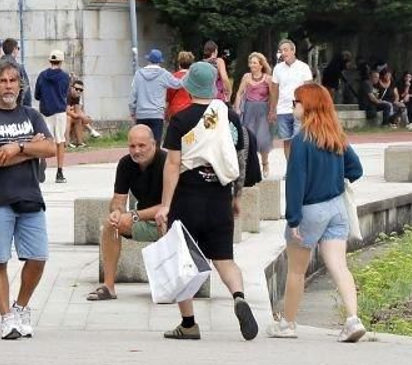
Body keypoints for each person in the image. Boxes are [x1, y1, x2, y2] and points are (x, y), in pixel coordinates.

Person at [157, 61, 263, 341]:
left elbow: (172, 164)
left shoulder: (180, 120)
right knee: (225, 259)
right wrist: (237, 195)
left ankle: (189, 323)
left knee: (183, 263)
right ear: (215, 86)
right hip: (219, 195)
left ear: (189, 86)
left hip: (188, 196)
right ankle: (238, 297)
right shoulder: (229, 116)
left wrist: (165, 205)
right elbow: (238, 157)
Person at [271, 85, 367, 341]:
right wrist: (333, 177)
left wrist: (293, 219)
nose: (293, 107)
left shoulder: (301, 141)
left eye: (296, 102)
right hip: (337, 208)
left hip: (309, 210)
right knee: (339, 266)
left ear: (308, 106)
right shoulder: (335, 135)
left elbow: (296, 182)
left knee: (296, 270)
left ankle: (288, 324)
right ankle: (352, 319)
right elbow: (356, 169)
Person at [0, 61, 55, 340]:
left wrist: (16, 146)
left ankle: (21, 307)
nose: (8, 85)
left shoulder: (32, 115)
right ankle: (6, 317)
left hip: (31, 197)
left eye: (13, 80)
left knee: (38, 257)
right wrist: (32, 148)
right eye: (3, 80)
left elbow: (51, 148)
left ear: (21, 85)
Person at [85, 125, 167, 301]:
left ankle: (169, 283)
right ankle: (109, 286)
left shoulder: (166, 162)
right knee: (110, 226)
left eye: (141, 145)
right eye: (132, 146)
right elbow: (118, 200)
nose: (136, 151)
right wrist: (116, 212)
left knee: (164, 221)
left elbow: (168, 205)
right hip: (144, 220)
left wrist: (134, 215)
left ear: (153, 144)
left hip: (171, 219)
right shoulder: (125, 164)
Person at [233, 52, 277, 176]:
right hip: (249, 110)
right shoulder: (246, 77)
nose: (251, 65)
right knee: (249, 138)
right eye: (250, 62)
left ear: (261, 65)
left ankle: (265, 164)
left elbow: (273, 96)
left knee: (263, 139)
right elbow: (239, 93)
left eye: (254, 63)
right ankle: (250, 166)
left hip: (263, 110)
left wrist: (272, 110)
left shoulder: (268, 78)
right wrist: (237, 108)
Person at [272, 39, 314, 163]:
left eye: (286, 50)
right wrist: (272, 109)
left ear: (293, 51)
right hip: (282, 108)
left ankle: (300, 166)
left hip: (299, 108)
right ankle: (290, 168)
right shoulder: (278, 69)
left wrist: (308, 107)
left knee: (299, 139)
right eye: (281, 51)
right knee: (287, 140)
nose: (283, 53)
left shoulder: (303, 67)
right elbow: (274, 90)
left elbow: (309, 88)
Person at [34, 50, 72, 183]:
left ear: (50, 61)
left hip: (45, 111)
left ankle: (42, 160)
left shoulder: (42, 75)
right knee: (60, 141)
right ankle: (59, 172)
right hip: (60, 111)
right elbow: (66, 94)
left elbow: (37, 95)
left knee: (45, 139)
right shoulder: (65, 77)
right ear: (61, 62)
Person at [131, 49, 183, 144]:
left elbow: (133, 95)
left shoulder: (138, 74)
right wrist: (188, 74)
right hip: (157, 114)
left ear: (149, 60)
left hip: (141, 114)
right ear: (160, 61)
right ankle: (156, 158)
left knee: (142, 143)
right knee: (156, 143)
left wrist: (132, 112)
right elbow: (178, 84)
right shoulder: (164, 74)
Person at [65, 79, 97, 148]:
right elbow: (67, 111)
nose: (78, 91)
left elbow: (78, 110)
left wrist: (85, 118)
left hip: (66, 113)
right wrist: (78, 116)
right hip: (57, 114)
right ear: (72, 88)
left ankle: (80, 143)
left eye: (81, 90)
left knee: (78, 119)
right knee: (69, 118)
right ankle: (67, 143)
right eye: (76, 89)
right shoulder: (67, 94)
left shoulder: (77, 96)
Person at [166, 50, 197, 121]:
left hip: (175, 110)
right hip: (190, 109)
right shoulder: (194, 77)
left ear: (179, 64)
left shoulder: (173, 77)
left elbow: (168, 96)